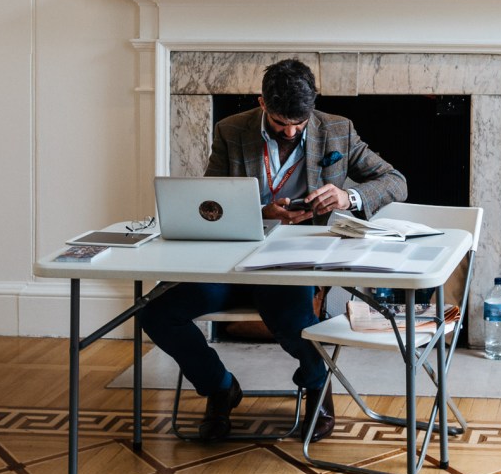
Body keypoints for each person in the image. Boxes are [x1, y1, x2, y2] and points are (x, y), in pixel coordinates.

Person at [140, 58, 408, 442]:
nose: (292, 130)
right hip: (233, 263)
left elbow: (395, 181)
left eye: (299, 123)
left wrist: (348, 196)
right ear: (262, 103)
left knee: (292, 319)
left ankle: (317, 384)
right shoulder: (232, 130)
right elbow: (209, 204)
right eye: (283, 123)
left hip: (293, 265)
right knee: (158, 315)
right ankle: (219, 387)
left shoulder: (337, 130)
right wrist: (260, 212)